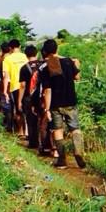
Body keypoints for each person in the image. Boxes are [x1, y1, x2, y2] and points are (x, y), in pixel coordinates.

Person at [39, 38, 86, 169]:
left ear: (45, 51)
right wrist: (77, 65)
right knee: (75, 128)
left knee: (57, 130)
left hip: (55, 104)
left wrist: (47, 109)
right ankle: (78, 152)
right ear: (57, 49)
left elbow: (47, 90)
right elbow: (77, 77)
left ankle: (62, 160)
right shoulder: (68, 62)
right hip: (70, 101)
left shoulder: (45, 67)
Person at [2, 39, 28, 137]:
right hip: (27, 86)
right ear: (20, 46)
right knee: (27, 109)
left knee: (18, 109)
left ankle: (21, 131)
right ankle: (28, 131)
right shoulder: (25, 56)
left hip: (15, 87)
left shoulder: (7, 59)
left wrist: (5, 91)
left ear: (10, 48)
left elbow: (6, 77)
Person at [17, 45, 41, 149]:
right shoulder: (43, 65)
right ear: (37, 53)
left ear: (26, 55)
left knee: (31, 121)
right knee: (43, 119)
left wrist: (19, 101)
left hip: (29, 97)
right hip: (41, 96)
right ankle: (45, 143)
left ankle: (33, 143)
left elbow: (22, 86)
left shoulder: (24, 68)